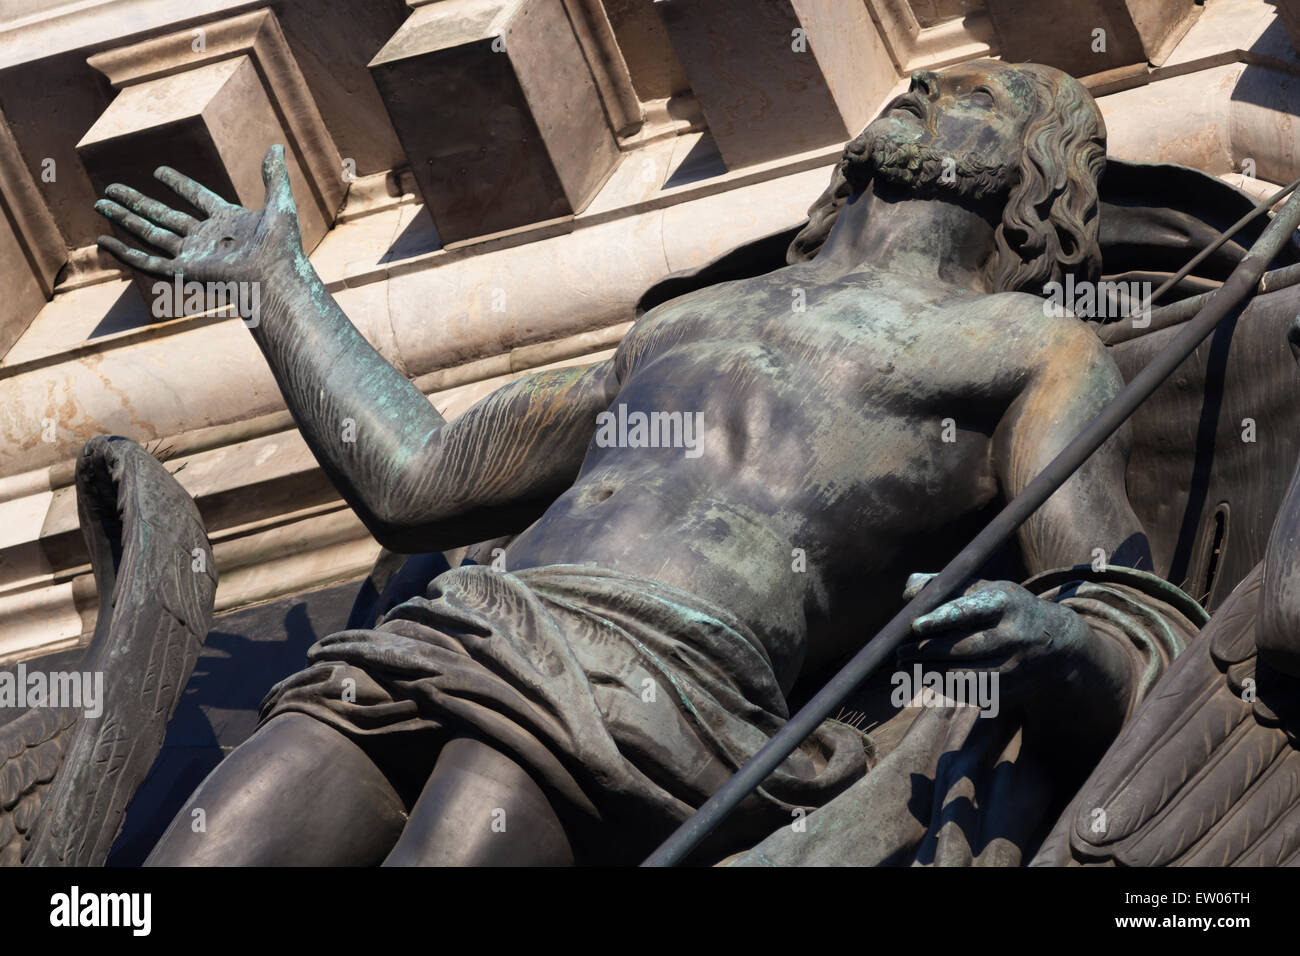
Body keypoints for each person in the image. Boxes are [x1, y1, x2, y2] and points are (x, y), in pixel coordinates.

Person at [94, 60, 1188, 866]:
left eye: (982, 99)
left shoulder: (1029, 344)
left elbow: (1123, 608)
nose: (929, 79)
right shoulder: (683, 319)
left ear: (1036, 179)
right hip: (462, 627)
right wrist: (280, 290)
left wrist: (1061, 643)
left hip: (649, 688)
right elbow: (419, 478)